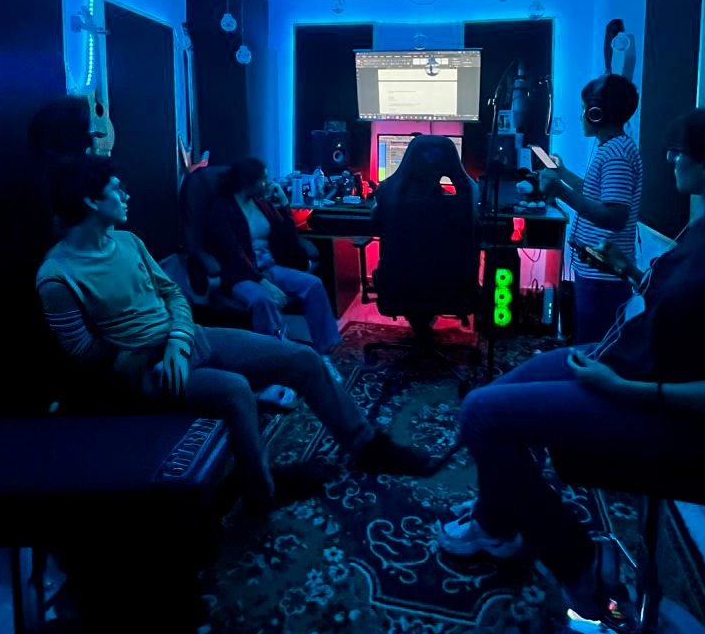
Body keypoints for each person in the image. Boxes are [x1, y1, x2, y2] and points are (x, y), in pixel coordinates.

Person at [438, 100, 705, 625]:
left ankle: (579, 564)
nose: (670, 159)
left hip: (667, 412)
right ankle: (495, 525)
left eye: (679, 151)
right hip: (619, 362)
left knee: (481, 413)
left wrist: (620, 387)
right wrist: (631, 271)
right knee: (499, 394)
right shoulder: (704, 229)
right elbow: (683, 308)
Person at [36, 155, 432, 510]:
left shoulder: (127, 241)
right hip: (148, 370)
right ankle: (263, 491)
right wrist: (153, 351)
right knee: (236, 389)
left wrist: (178, 338)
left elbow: (172, 294)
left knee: (304, 359)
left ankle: (366, 445)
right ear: (90, 201)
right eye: (116, 188)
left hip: (188, 339)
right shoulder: (57, 276)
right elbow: (83, 352)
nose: (126, 194)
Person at [537, 73, 642, 344]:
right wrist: (563, 174)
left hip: (603, 275)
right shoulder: (614, 148)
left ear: (597, 114)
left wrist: (560, 192)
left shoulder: (616, 154)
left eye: (585, 109)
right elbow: (595, 193)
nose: (581, 115)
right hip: (596, 272)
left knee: (592, 348)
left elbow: (614, 217)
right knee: (587, 341)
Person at [205, 158, 342, 364]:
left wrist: (284, 204)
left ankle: (325, 351)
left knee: (313, 285)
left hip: (269, 267)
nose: (267, 183)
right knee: (263, 300)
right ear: (249, 181)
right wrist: (263, 282)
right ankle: (278, 357)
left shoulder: (261, 204)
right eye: (263, 179)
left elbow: (287, 236)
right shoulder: (221, 209)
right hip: (239, 274)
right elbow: (232, 253)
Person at [371, 135, 479, 335]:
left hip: (400, 284)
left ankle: (419, 323)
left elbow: (375, 223)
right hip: (452, 285)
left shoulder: (387, 193)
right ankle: (425, 322)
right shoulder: (468, 196)